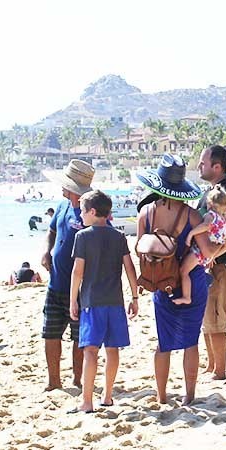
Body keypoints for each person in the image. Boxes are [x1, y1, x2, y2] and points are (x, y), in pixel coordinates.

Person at [136, 153, 221, 404]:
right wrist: (222, 244)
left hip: (162, 284)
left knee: (163, 343)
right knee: (190, 342)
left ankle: (161, 396)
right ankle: (189, 396)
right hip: (192, 283)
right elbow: (206, 252)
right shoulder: (192, 216)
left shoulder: (145, 214)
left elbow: (139, 250)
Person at [68, 190, 139, 413]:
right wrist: (135, 296)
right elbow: (129, 268)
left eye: (82, 211)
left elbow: (77, 272)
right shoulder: (118, 236)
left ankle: (87, 401)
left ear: (92, 211)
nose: (80, 215)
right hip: (115, 302)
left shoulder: (83, 236)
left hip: (92, 302)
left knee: (90, 351)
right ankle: (107, 396)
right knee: (112, 349)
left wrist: (73, 300)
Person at [41, 159, 95, 391]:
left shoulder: (89, 212)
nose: (62, 187)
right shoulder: (62, 206)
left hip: (81, 289)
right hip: (55, 284)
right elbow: (52, 230)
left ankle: (77, 379)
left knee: (78, 336)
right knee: (50, 333)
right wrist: (47, 251)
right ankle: (54, 381)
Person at [197, 145, 226, 381]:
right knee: (208, 315)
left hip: (223, 262)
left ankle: (220, 370)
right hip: (213, 261)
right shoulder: (211, 191)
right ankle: (212, 364)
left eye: (203, 163)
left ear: (217, 166)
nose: (199, 166)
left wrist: (212, 252)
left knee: (216, 317)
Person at [176, 187, 226, 305]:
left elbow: (206, 226)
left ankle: (186, 296)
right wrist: (213, 256)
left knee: (183, 271)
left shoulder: (210, 215)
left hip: (199, 251)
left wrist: (191, 234)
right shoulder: (224, 222)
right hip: (208, 256)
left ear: (209, 203)